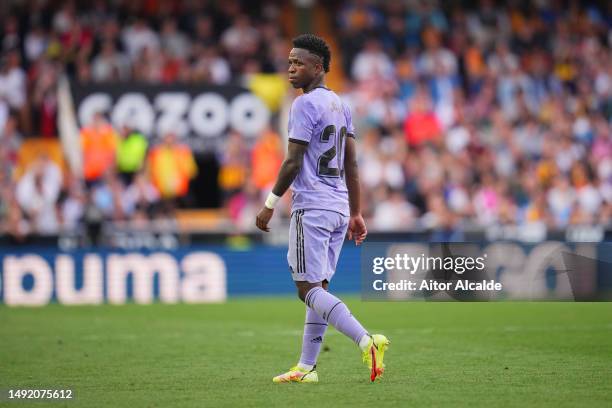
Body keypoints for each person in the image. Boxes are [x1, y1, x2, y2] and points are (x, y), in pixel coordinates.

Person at [255, 34, 389, 384]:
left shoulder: (303, 105)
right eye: (288, 63)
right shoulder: (342, 105)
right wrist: (357, 213)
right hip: (338, 208)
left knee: (306, 288)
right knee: (319, 289)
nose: (290, 69)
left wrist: (269, 205)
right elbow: (352, 166)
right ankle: (306, 366)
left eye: (297, 63)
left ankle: (366, 339)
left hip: (311, 206)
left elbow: (293, 161)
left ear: (318, 67)